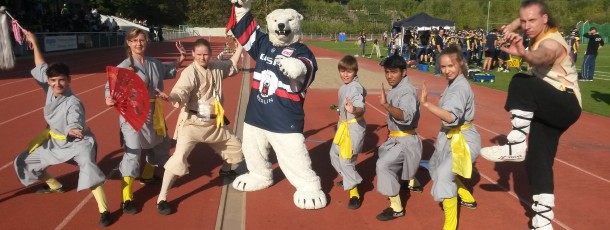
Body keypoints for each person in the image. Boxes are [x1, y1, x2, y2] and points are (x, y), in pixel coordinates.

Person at [480, 1, 582, 229]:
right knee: (537, 163)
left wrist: (525, 54)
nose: (525, 26)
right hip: (547, 107)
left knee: (522, 82)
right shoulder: (534, 27)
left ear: (545, 19)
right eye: (523, 21)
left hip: (565, 103)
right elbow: (526, 17)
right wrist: (512, 25)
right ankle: (543, 222)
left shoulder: (552, 42)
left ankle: (516, 145)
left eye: (531, 21)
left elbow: (542, 57)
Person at [14, 32, 111, 227]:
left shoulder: (73, 102)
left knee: (89, 168)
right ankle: (55, 186)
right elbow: (40, 65)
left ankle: (104, 210)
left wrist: (74, 129)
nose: (57, 84)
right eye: (53, 80)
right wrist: (33, 41)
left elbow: (75, 120)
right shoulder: (50, 87)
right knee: (24, 161)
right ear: (48, 81)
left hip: (77, 142)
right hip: (54, 142)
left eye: (62, 80)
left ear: (69, 80)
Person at [153, 38, 245, 215]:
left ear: (210, 54)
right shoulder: (189, 72)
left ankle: (225, 171)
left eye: (206, 54)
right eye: (199, 54)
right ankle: (162, 199)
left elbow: (232, 64)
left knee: (236, 148)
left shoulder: (216, 67)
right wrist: (171, 98)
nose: (203, 57)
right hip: (193, 124)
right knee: (178, 158)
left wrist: (241, 46)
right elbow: (181, 90)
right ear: (193, 54)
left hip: (214, 123)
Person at [104, 28, 186, 214]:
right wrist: (109, 98)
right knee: (132, 154)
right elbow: (109, 88)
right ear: (128, 43)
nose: (138, 43)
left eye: (142, 40)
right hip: (131, 114)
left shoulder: (154, 63)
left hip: (153, 111)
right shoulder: (123, 66)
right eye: (134, 40)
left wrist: (181, 58)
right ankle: (127, 198)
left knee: (161, 144)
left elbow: (167, 70)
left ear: (146, 42)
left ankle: (147, 176)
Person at [420, 45, 481, 230]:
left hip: (463, 139)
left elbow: (452, 117)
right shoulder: (454, 83)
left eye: (451, 66)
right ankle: (466, 196)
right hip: (451, 136)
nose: (447, 70)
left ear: (461, 63)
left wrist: (426, 104)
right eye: (443, 67)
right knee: (435, 167)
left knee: (444, 175)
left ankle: (450, 225)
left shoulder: (459, 88)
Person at [375, 54, 422, 221]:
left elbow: (406, 116)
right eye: (387, 72)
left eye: (393, 72)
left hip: (405, 140)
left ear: (404, 72)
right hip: (397, 137)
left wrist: (386, 105)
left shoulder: (406, 92)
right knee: (385, 156)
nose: (389, 76)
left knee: (383, 165)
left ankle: (397, 208)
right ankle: (412, 183)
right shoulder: (398, 88)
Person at [330, 55, 366, 210]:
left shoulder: (354, 88)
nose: (345, 74)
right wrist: (340, 109)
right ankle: (347, 176)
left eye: (349, 71)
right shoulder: (344, 86)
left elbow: (360, 106)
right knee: (333, 154)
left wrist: (354, 110)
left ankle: (354, 193)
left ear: (355, 72)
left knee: (346, 160)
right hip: (343, 126)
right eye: (342, 71)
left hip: (352, 129)